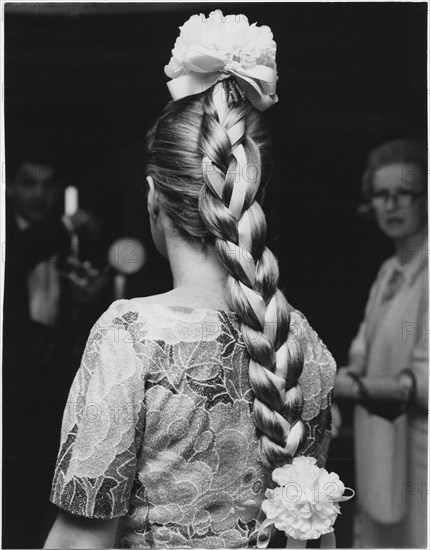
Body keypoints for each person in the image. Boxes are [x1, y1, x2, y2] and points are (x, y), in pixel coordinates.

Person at [44, 11, 336, 548]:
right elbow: (315, 535)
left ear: (154, 196)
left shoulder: (130, 335)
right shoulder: (303, 343)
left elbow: (80, 541)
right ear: (252, 197)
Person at [2, 157, 110, 548]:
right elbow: (21, 258)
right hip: (9, 379)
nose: (39, 195)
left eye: (48, 185)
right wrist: (65, 224)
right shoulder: (15, 232)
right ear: (11, 187)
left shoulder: (63, 239)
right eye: (29, 183)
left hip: (48, 380)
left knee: (39, 483)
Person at [334, 139, 428, 548]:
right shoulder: (388, 272)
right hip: (379, 448)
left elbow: (423, 384)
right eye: (381, 195)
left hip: (422, 452)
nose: (391, 205)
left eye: (404, 193)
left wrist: (349, 388)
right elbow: (361, 351)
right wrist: (346, 376)